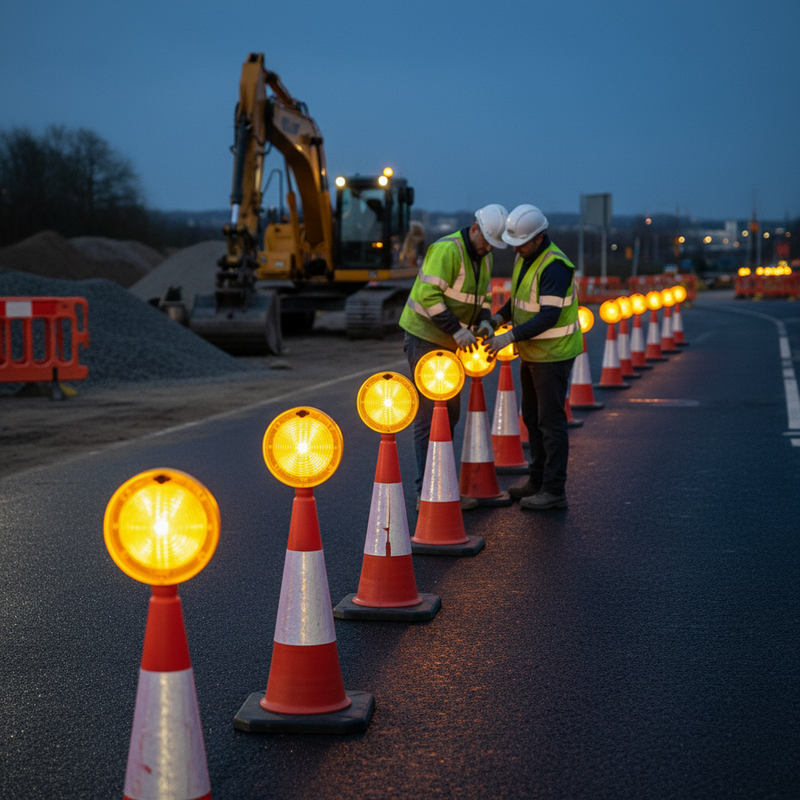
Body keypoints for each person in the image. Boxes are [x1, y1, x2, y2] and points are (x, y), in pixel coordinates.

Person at [399, 204, 508, 508]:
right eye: (486, 241)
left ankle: (441, 485)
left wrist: (484, 322)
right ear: (474, 229)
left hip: (451, 341)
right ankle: (427, 493)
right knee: (430, 415)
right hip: (425, 336)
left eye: (493, 244)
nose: (488, 248)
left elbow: (483, 297)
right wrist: (458, 330)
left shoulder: (484, 257)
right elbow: (428, 296)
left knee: (449, 413)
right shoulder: (447, 250)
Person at [483, 204, 583, 510]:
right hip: (533, 353)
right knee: (532, 417)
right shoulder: (525, 256)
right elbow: (519, 300)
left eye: (522, 243)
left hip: (553, 355)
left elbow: (548, 316)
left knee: (550, 423)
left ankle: (554, 490)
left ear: (539, 237)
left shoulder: (555, 266)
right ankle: (536, 480)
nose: (517, 248)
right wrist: (497, 319)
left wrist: (507, 337)